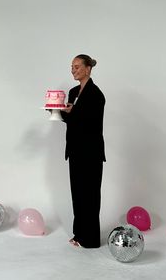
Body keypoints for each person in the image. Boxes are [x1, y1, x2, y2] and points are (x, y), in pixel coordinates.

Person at [61, 54, 106, 248]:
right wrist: (58, 111)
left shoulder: (96, 94)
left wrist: (72, 112)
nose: (73, 70)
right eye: (72, 67)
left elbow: (89, 122)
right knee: (77, 194)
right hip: (75, 151)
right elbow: (72, 120)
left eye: (77, 66)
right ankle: (79, 234)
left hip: (91, 152)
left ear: (88, 69)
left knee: (90, 195)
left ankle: (91, 239)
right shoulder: (72, 91)